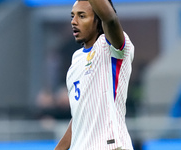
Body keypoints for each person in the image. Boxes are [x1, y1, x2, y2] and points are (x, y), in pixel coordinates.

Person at [54, 0, 134, 150]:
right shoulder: (76, 60)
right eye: (72, 16)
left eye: (82, 16)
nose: (74, 21)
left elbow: (110, 19)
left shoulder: (111, 47)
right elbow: (79, 119)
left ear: (98, 20)